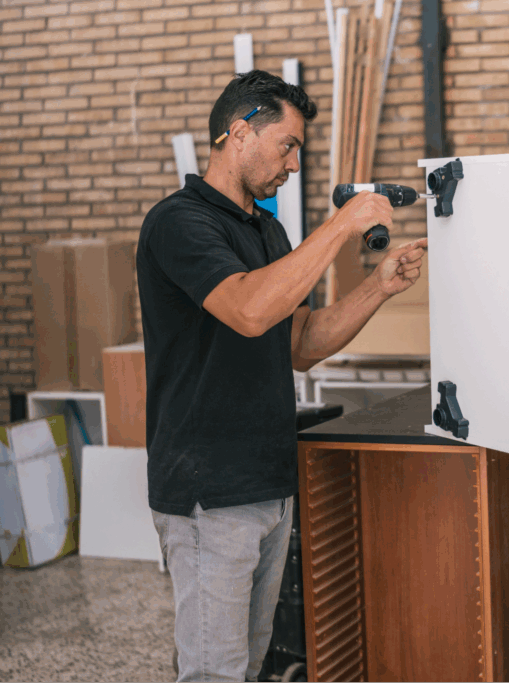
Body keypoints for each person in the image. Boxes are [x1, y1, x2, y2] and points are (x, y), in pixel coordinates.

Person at [136, 69, 426, 682]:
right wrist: (342, 224)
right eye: (286, 146)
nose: (293, 165)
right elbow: (247, 310)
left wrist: (378, 287)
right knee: (213, 672)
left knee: (249, 664)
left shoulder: (267, 231)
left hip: (267, 481)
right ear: (238, 133)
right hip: (207, 491)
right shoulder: (179, 223)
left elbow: (298, 341)